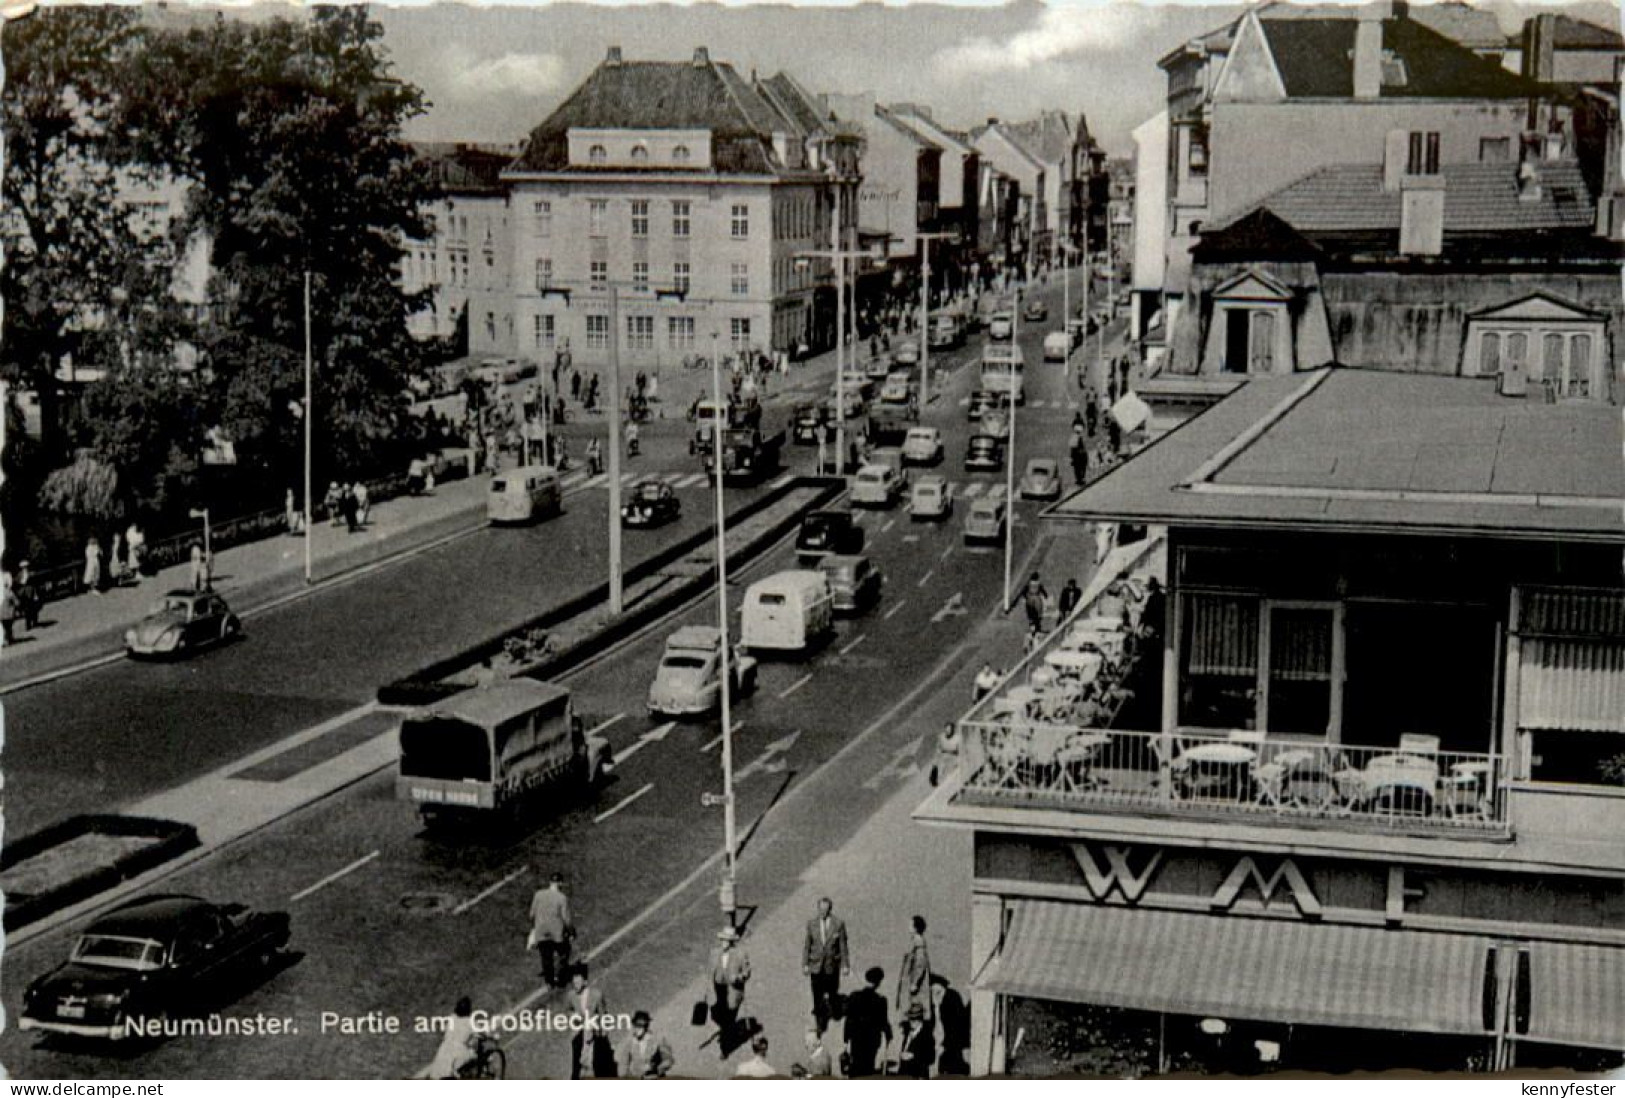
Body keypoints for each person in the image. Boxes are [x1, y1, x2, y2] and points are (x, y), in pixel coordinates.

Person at [802, 897, 850, 1035]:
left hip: (831, 966)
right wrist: (805, 964)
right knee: (817, 996)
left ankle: (835, 1009)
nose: (823, 912)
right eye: (820, 909)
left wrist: (845, 965)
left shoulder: (838, 924)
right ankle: (820, 1023)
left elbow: (843, 946)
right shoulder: (812, 924)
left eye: (826, 909)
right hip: (816, 966)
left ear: (830, 909)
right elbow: (807, 946)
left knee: (832, 991)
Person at [566, 964, 616, 1079]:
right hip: (580, 1033)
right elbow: (569, 1010)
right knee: (576, 1065)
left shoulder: (596, 995)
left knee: (598, 1064)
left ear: (585, 982)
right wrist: (574, 1017)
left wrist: (603, 1031)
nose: (575, 986)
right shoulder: (571, 996)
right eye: (574, 983)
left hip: (595, 1033)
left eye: (578, 983)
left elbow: (604, 1016)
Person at [709, 925, 752, 1051]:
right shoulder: (714, 953)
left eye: (726, 940)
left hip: (733, 992)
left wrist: (738, 978)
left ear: (732, 942)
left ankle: (726, 1047)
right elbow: (709, 972)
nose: (723, 943)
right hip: (719, 990)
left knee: (728, 1019)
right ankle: (728, 1031)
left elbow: (747, 972)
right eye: (722, 940)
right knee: (717, 1016)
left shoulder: (740, 954)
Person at [527, 872, 573, 988]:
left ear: (550, 882)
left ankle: (549, 982)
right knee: (563, 952)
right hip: (556, 933)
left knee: (545, 956)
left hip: (541, 931)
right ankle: (560, 977)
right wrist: (571, 931)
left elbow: (531, 914)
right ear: (560, 883)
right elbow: (566, 918)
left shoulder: (538, 894)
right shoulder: (562, 898)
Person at [844, 967, 892, 1078]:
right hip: (871, 1043)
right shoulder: (880, 1000)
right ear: (878, 983)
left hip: (856, 1041)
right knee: (868, 1070)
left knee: (855, 1068)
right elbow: (884, 1023)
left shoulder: (854, 996)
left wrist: (846, 1041)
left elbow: (848, 1021)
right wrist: (889, 1036)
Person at [423, 996, 481, 1079]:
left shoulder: (452, 1018)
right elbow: (482, 1033)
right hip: (459, 1050)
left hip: (444, 1048)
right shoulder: (470, 1022)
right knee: (473, 1056)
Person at [931, 976, 971, 1076]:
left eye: (938, 991)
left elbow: (956, 1026)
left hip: (954, 1041)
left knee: (953, 1066)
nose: (935, 994)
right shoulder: (935, 1002)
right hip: (943, 1041)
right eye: (933, 991)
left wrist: (944, 1044)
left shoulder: (952, 997)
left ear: (943, 989)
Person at [616, 1011, 674, 1078]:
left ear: (646, 1027)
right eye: (636, 1026)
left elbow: (668, 1060)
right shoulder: (630, 1043)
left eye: (641, 1026)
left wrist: (657, 1070)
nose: (637, 1029)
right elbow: (623, 1066)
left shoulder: (657, 1040)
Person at [896, 915, 933, 1020]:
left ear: (916, 928)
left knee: (914, 1010)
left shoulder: (918, 943)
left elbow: (920, 964)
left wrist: (915, 983)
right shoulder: (915, 942)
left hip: (915, 986)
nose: (909, 927)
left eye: (910, 925)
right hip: (911, 983)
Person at [897, 1003, 936, 1079]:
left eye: (914, 1019)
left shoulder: (927, 1036)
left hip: (918, 1076)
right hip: (904, 1075)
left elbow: (931, 1058)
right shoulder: (908, 1033)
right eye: (910, 1018)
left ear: (920, 1019)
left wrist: (913, 1056)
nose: (911, 1021)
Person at [930, 722, 960, 787]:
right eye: (946, 729)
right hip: (945, 758)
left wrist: (947, 751)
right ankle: (935, 781)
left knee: (952, 774)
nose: (947, 731)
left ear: (952, 730)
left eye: (949, 730)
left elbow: (959, 752)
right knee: (940, 769)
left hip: (954, 759)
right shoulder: (941, 737)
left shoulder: (957, 738)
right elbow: (938, 748)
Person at [15, 561, 39, 631]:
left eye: (26, 567)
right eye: (24, 567)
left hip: (31, 592)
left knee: (34, 608)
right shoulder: (19, 575)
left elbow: (35, 582)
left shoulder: (31, 573)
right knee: (27, 609)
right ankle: (28, 624)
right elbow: (17, 582)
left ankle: (35, 622)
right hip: (24, 594)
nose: (25, 568)